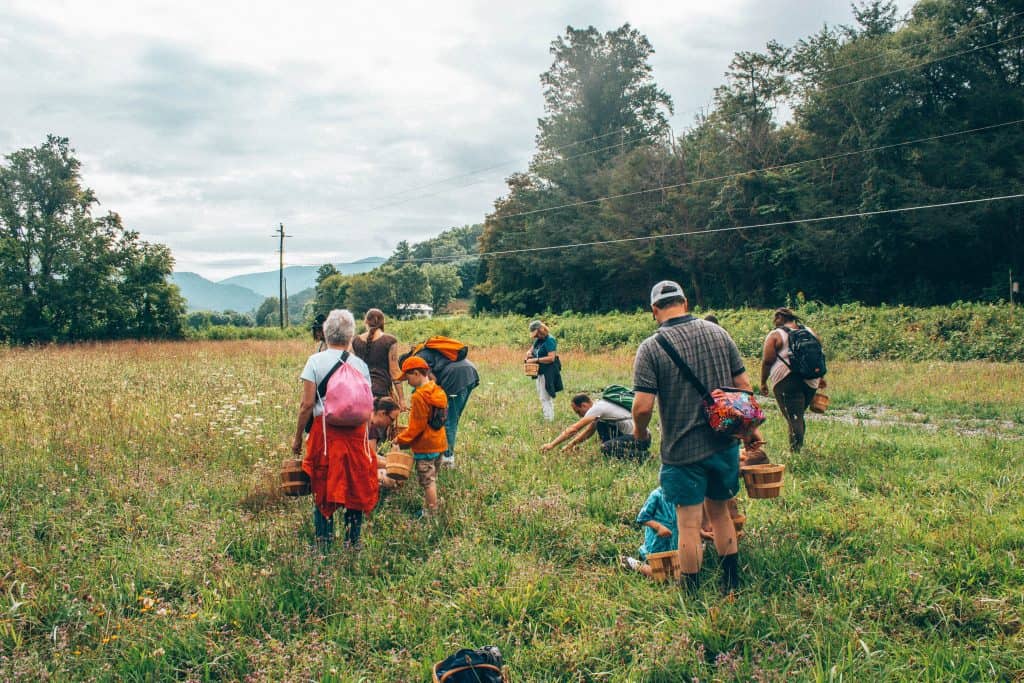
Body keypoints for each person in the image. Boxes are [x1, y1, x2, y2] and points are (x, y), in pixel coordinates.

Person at [632, 280, 752, 593]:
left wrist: (640, 432)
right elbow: (745, 389)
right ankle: (730, 585)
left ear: (655, 310)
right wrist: (746, 431)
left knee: (687, 525)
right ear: (685, 302)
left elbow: (642, 406)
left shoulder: (650, 348)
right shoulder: (719, 333)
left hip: (682, 450)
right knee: (722, 514)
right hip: (724, 444)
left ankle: (691, 592)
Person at [292, 309, 379, 550]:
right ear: (351, 335)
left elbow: (307, 405)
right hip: (356, 435)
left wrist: (298, 438)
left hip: (325, 434)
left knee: (323, 484)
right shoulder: (360, 365)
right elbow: (368, 408)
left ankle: (324, 543)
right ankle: (353, 542)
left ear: (325, 333)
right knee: (355, 484)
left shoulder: (315, 361)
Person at [760, 307, 826, 452]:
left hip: (787, 380)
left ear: (779, 318)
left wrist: (763, 382)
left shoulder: (776, 335)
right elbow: (819, 355)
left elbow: (767, 361)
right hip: (811, 381)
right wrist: (821, 377)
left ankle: (795, 454)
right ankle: (797, 447)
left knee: (794, 417)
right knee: (797, 415)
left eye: (774, 319)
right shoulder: (809, 331)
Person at [402, 343, 479, 468]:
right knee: (452, 417)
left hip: (457, 376)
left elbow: (432, 381)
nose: (407, 380)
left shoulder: (419, 358)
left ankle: (447, 459)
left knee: (448, 419)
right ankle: (444, 454)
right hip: (468, 371)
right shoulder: (424, 352)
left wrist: (418, 398)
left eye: (407, 376)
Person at [393, 356, 448, 516]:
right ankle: (431, 505)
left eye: (407, 377)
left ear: (417, 373)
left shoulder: (419, 396)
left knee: (427, 482)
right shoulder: (437, 390)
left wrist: (399, 439)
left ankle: (431, 513)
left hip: (425, 446)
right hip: (439, 443)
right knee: (433, 477)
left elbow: (417, 428)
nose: (407, 382)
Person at [540, 393, 650, 460]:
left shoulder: (598, 408)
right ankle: (613, 453)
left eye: (578, 412)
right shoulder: (599, 408)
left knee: (606, 447)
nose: (579, 415)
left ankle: (644, 456)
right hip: (636, 436)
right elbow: (589, 431)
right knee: (600, 424)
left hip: (640, 438)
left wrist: (551, 445)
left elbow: (574, 429)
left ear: (584, 405)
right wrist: (569, 446)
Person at [352, 309, 405, 412]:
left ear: (366, 322)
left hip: (360, 392)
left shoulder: (356, 341)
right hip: (382, 392)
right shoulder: (390, 340)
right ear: (383, 322)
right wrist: (401, 399)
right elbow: (394, 372)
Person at [619, 486, 679, 579]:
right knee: (668, 576)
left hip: (674, 545)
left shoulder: (681, 497)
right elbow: (643, 517)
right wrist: (658, 527)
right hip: (657, 545)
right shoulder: (657, 495)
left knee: (678, 570)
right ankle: (635, 564)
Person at [526, 320, 562, 421]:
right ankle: (548, 417)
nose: (536, 336)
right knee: (542, 395)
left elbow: (551, 358)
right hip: (540, 371)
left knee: (545, 397)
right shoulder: (539, 340)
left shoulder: (550, 340)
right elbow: (531, 349)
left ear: (541, 330)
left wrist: (535, 359)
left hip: (548, 372)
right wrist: (529, 353)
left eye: (537, 334)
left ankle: (549, 420)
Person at [368, 397, 402, 491]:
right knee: (389, 480)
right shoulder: (369, 427)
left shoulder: (370, 423)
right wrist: (393, 466)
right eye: (391, 419)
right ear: (383, 413)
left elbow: (371, 455)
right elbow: (369, 460)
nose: (391, 424)